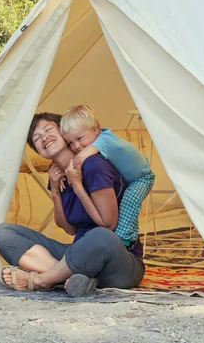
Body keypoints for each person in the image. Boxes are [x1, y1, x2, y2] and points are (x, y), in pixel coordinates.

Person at [0, 112, 145, 297]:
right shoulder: (56, 175)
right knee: (4, 233)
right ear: (38, 151)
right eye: (37, 138)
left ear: (64, 132)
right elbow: (70, 228)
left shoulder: (93, 165)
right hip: (77, 253)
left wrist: (77, 184)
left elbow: (109, 224)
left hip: (119, 260)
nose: (44, 137)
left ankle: (42, 280)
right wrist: (55, 191)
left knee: (100, 235)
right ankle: (71, 277)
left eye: (48, 129)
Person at [60, 104, 155, 247]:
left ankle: (124, 241)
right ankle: (128, 235)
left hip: (142, 178)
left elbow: (79, 159)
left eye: (79, 138)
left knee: (129, 201)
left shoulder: (105, 140)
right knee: (124, 208)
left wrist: (66, 170)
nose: (76, 146)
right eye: (70, 143)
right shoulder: (98, 140)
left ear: (96, 129)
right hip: (129, 178)